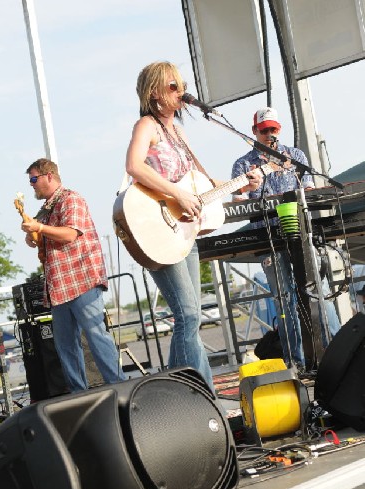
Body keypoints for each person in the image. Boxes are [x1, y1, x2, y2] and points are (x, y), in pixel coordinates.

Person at [125, 61, 260, 393]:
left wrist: (241, 184)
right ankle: (200, 395)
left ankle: (178, 393)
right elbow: (133, 166)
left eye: (182, 85)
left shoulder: (179, 133)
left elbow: (203, 181)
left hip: (183, 232)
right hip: (157, 226)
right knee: (188, 316)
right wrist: (177, 194)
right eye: (173, 86)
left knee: (191, 317)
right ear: (153, 92)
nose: (181, 91)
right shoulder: (147, 125)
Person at [232, 107, 340, 370]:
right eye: (264, 129)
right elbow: (236, 204)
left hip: (301, 234)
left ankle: (339, 355)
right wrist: (249, 188)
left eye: (274, 129)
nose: (270, 134)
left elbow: (311, 192)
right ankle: (296, 363)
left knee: (318, 290)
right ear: (254, 131)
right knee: (284, 298)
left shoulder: (295, 156)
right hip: (268, 238)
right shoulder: (243, 164)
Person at [21, 158, 126, 393]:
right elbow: (42, 240)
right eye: (30, 181)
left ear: (49, 175)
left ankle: (119, 386)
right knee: (65, 345)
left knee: (96, 335)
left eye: (34, 179)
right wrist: (33, 236)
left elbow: (69, 234)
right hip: (59, 286)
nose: (32, 185)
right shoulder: (45, 209)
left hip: (82, 279)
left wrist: (39, 229)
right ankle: (79, 394)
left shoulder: (71, 198)